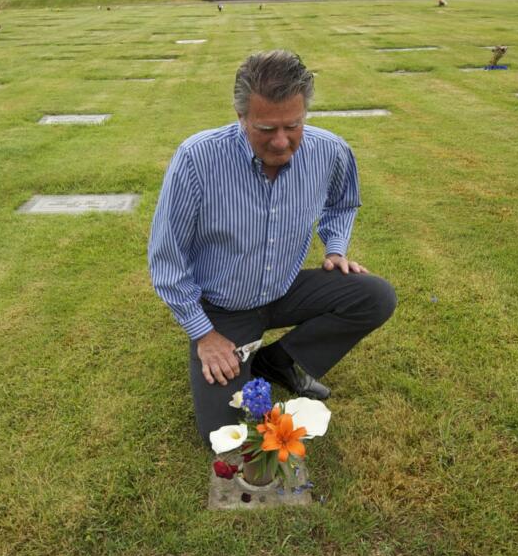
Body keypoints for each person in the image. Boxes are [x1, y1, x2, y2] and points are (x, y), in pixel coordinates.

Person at [148, 49, 396, 444]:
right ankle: (241, 352)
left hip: (283, 289)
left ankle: (277, 361)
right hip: (222, 307)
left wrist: (335, 249)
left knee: (374, 296)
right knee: (223, 432)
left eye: (293, 126)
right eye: (265, 129)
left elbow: (343, 202)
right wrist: (205, 336)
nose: (282, 142)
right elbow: (167, 260)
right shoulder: (197, 160)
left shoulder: (329, 150)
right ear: (241, 116)